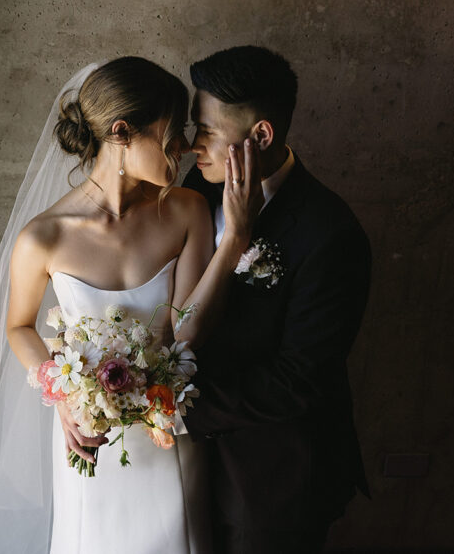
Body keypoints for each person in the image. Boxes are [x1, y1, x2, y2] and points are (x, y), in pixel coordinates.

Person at [0, 57, 264, 554]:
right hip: (89, 436)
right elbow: (19, 327)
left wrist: (236, 239)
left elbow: (185, 332)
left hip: (168, 429)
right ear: (121, 132)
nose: (183, 149)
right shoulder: (43, 237)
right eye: (171, 134)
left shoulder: (186, 208)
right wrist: (63, 396)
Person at [181, 45, 371, 553]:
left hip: (274, 479)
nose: (191, 145)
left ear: (260, 135)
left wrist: (178, 408)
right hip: (184, 466)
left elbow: (299, 378)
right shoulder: (195, 188)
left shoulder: (330, 233)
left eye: (207, 131)